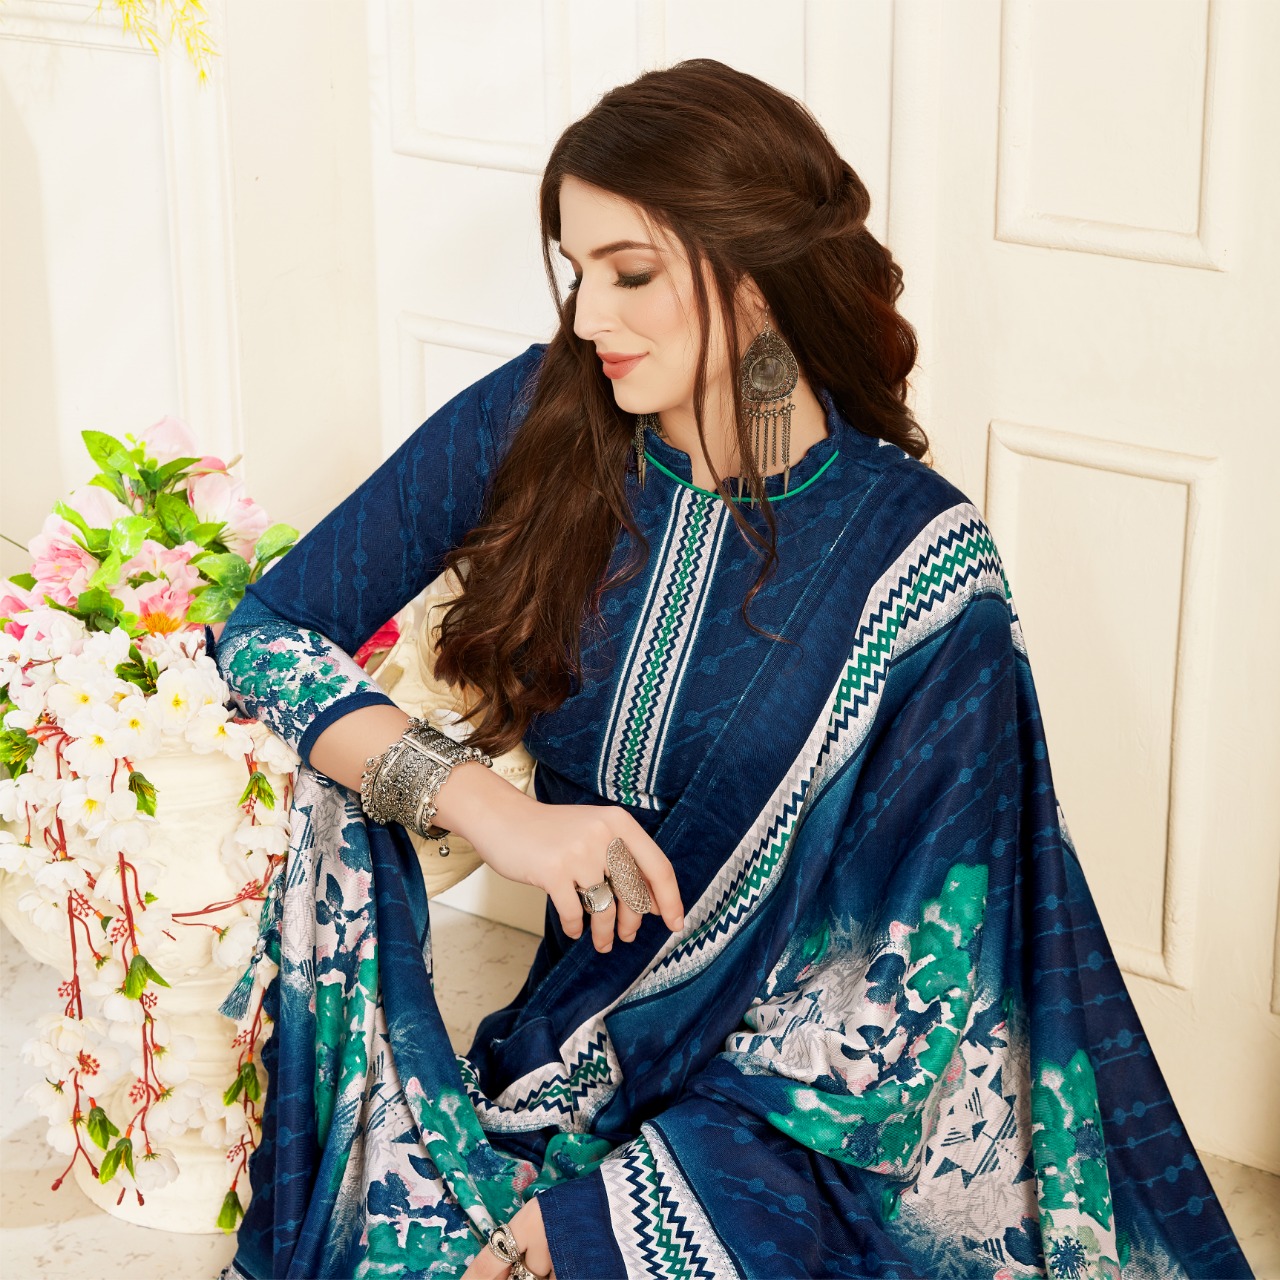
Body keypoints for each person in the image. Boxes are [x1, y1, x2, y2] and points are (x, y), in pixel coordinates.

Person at [208, 58, 1250, 1280]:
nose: (587, 318)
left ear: (753, 276)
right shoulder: (544, 419)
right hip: (571, 1056)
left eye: (630, 273)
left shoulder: (916, 564)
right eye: (576, 270)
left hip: (808, 1120)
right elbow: (267, 630)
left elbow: (905, 993)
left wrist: (623, 1207)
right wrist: (489, 808)